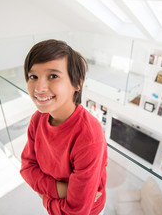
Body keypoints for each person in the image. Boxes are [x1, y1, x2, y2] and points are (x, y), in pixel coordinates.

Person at [20, 39, 107, 215]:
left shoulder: (89, 135)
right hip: (58, 205)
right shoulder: (38, 119)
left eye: (53, 76)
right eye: (33, 77)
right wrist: (63, 190)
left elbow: (76, 211)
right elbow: (27, 168)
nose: (39, 88)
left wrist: (44, 197)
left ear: (77, 83)